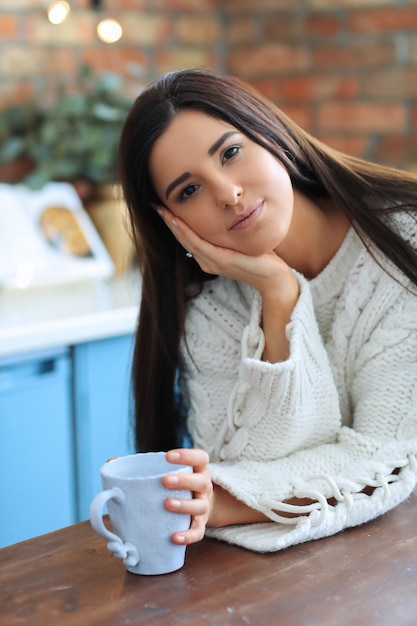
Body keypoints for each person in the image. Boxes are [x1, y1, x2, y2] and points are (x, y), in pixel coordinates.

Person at [117, 67, 417, 553]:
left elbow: (388, 459)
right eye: (188, 191)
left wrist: (231, 501)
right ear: (172, 222)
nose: (227, 192)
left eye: (230, 153)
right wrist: (278, 297)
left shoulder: (403, 248)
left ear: (270, 134)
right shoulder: (208, 310)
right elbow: (250, 460)